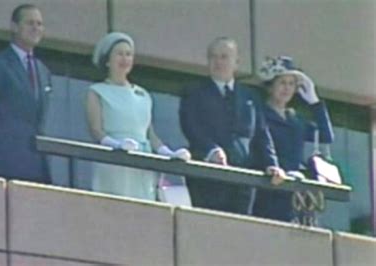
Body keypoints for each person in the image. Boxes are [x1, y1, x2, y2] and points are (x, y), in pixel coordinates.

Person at [179, 37, 285, 215]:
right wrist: (211, 150)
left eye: (224, 57)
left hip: (242, 183)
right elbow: (191, 127)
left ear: (236, 62)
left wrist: (272, 164)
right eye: (213, 57)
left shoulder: (250, 97)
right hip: (207, 181)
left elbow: (262, 135)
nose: (218, 62)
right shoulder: (194, 93)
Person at [86, 32, 191, 201]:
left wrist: (168, 153)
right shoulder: (97, 91)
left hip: (141, 161)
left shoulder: (143, 94)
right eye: (119, 53)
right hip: (114, 161)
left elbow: (150, 135)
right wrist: (116, 145)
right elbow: (96, 130)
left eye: (128, 54)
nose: (125, 58)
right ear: (107, 60)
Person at [0, 4, 52, 183]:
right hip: (6, 162)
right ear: (14, 27)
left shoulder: (43, 71)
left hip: (37, 164)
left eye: (39, 24)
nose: (36, 28)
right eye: (30, 23)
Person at [253, 56, 334, 222]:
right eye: (282, 83)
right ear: (270, 86)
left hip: (293, 193)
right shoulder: (259, 114)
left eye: (291, 84)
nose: (287, 89)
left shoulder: (295, 120)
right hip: (268, 189)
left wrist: (314, 102)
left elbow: (326, 136)